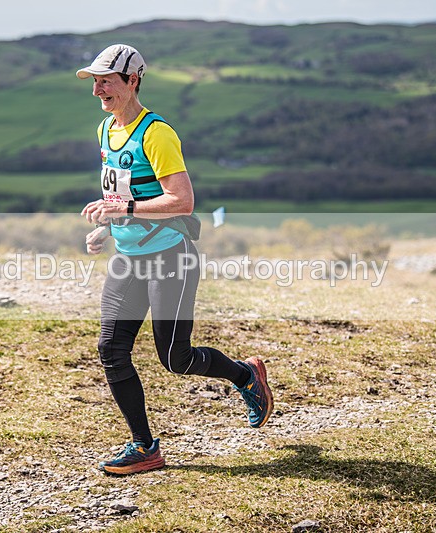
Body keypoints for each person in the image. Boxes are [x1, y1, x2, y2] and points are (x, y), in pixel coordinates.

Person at [77, 44, 273, 475]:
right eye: (95, 81)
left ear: (133, 81)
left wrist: (121, 213)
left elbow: (181, 201)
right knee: (112, 350)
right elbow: (126, 196)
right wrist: (107, 228)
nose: (98, 90)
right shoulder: (105, 131)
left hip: (170, 257)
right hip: (129, 258)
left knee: (175, 359)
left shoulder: (156, 133)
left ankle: (245, 375)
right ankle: (144, 446)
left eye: (106, 81)